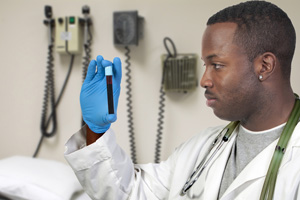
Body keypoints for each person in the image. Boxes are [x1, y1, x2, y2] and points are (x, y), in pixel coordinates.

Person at [64, 1, 300, 199]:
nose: (204, 80)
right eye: (205, 65)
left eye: (217, 65)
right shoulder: (204, 147)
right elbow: (132, 193)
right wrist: (95, 129)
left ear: (265, 66)